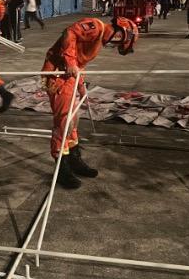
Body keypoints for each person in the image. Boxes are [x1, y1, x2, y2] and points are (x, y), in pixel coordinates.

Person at [43, 17, 138, 189]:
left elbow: (80, 63)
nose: (115, 44)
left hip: (71, 77)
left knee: (73, 121)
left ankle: (74, 159)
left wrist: (80, 86)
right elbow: (69, 32)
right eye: (119, 42)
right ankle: (61, 168)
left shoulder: (99, 40)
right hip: (58, 74)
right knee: (64, 123)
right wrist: (70, 63)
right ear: (120, 32)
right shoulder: (95, 27)